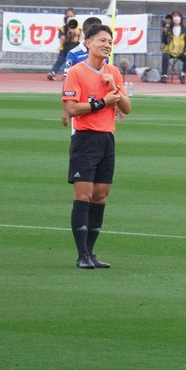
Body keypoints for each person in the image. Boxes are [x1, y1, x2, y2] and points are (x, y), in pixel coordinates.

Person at [62, 24, 131, 269]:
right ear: (88, 42)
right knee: (84, 195)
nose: (107, 44)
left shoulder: (113, 71)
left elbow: (127, 108)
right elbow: (71, 109)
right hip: (85, 138)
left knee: (101, 196)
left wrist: (114, 87)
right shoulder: (76, 72)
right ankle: (81, 254)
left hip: (107, 139)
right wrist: (102, 102)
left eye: (110, 41)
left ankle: (91, 253)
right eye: (102, 40)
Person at [62, 16, 103, 127]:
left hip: (100, 105)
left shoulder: (103, 53)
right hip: (80, 106)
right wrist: (66, 109)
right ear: (85, 33)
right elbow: (67, 81)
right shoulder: (74, 54)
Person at [47, 8, 82, 81]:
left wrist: (72, 29)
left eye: (71, 16)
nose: (69, 18)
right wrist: (67, 32)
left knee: (74, 62)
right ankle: (52, 73)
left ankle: (70, 75)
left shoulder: (78, 26)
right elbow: (62, 38)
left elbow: (78, 34)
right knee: (60, 61)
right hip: (64, 48)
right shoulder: (62, 28)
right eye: (68, 16)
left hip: (74, 48)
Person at [160, 11, 186, 84]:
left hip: (180, 51)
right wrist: (165, 32)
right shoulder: (168, 28)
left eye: (178, 16)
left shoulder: (185, 29)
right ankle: (164, 75)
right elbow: (164, 41)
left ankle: (183, 75)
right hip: (170, 51)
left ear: (181, 18)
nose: (176, 18)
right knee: (165, 55)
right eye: (174, 16)